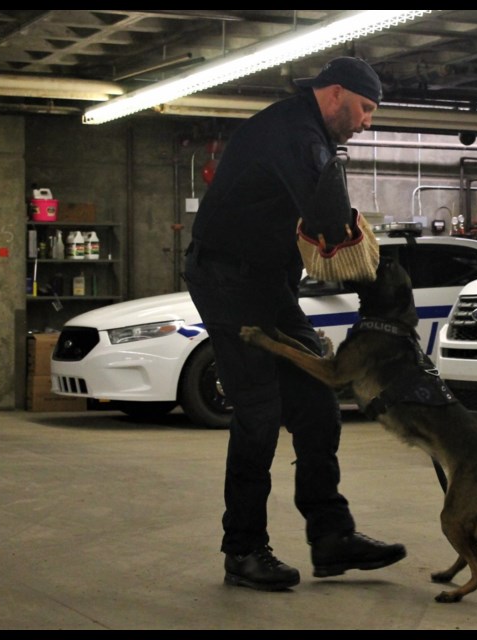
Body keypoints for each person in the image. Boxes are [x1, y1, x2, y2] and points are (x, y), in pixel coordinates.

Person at [183, 56, 406, 592]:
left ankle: (331, 537)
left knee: (317, 403)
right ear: (335, 94)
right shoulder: (295, 134)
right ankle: (243, 550)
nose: (367, 121)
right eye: (365, 109)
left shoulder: (311, 135)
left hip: (266, 282)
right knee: (259, 413)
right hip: (226, 278)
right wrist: (375, 285)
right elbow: (330, 223)